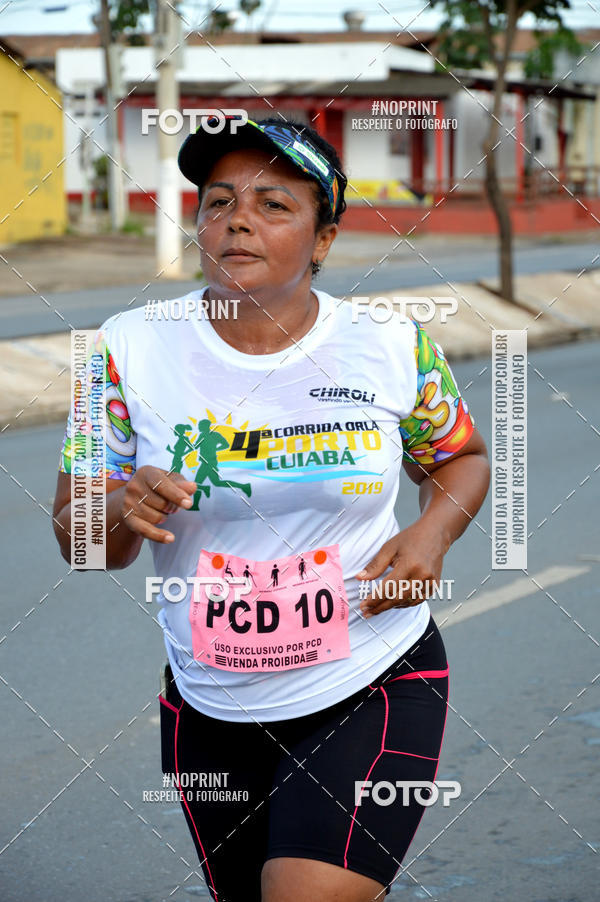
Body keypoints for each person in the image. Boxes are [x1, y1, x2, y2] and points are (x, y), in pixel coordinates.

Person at [52, 116, 490, 902]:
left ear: (323, 239)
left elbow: (460, 456)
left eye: (274, 205)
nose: (237, 220)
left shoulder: (391, 346)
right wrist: (120, 505)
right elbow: (82, 541)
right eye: (217, 202)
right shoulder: (126, 350)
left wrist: (432, 534)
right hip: (209, 701)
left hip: (372, 674)